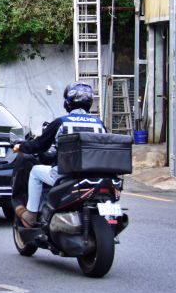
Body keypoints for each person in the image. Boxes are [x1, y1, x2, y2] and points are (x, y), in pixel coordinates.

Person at [12, 82, 106, 228]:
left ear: (68, 103)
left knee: (35, 172)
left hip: (66, 175)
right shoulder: (99, 124)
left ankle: (31, 214)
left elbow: (39, 145)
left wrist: (21, 146)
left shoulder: (61, 123)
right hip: (95, 175)